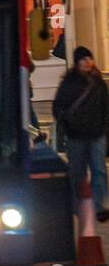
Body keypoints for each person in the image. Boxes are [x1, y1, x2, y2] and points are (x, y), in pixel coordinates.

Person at [52, 46, 109, 222]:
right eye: (84, 59)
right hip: (76, 136)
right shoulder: (69, 83)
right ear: (77, 62)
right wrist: (68, 125)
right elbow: (58, 107)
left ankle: (98, 205)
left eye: (89, 59)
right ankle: (78, 205)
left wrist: (104, 127)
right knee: (77, 172)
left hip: (96, 134)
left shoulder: (98, 82)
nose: (88, 62)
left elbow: (106, 106)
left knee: (99, 170)